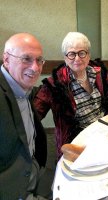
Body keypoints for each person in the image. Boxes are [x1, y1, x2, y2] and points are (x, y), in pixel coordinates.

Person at [33, 32, 108, 160]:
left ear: (88, 55)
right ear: (65, 58)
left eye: (82, 53)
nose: (77, 58)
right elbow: (34, 114)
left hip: (104, 134)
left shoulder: (98, 74)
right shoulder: (55, 85)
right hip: (77, 144)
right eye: (71, 54)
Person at [0, 33, 54, 200]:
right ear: (6, 59)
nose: (35, 68)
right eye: (26, 59)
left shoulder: (22, 87)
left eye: (39, 60)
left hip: (34, 170)